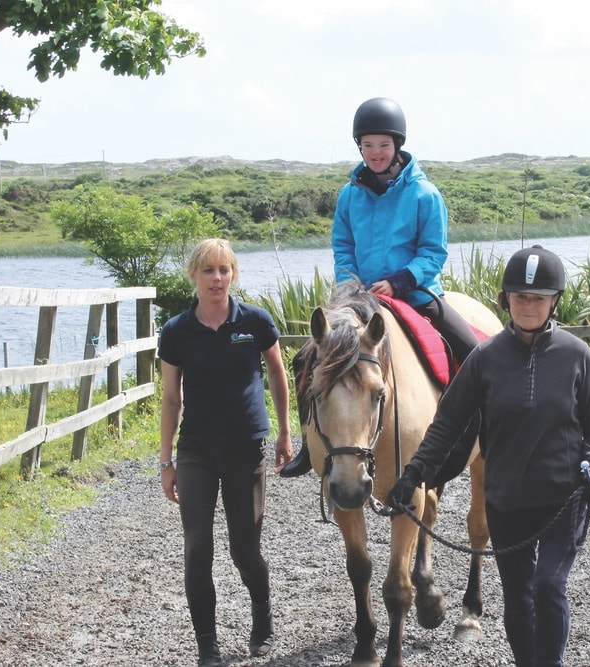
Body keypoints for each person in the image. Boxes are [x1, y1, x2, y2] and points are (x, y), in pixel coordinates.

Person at [388, 245, 590, 667]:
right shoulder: (485, 358)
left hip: (564, 495)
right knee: (517, 599)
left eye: (538, 298)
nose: (529, 306)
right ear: (506, 299)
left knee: (548, 585)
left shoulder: (575, 355)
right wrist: (414, 473)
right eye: (520, 297)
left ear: (554, 302)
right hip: (507, 497)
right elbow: (448, 423)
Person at [281, 96, 480, 478]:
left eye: (383, 145)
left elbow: (433, 252)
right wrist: (349, 281)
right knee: (304, 358)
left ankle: (482, 432)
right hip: (359, 299)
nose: (375, 153)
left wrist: (401, 280)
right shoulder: (349, 194)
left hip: (415, 294)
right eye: (368, 145)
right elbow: (343, 245)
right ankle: (311, 445)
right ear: (359, 146)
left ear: (397, 146)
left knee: (473, 350)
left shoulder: (425, 195)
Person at [157, 238, 293, 666]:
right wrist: (166, 461)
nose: (217, 278)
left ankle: (262, 618)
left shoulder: (254, 321)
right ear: (193, 275)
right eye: (209, 270)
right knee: (198, 549)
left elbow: (277, 372)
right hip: (197, 450)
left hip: (245, 448)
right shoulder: (177, 331)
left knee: (244, 551)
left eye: (224, 270)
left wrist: (284, 434)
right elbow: (171, 399)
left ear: (233, 274)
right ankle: (207, 646)